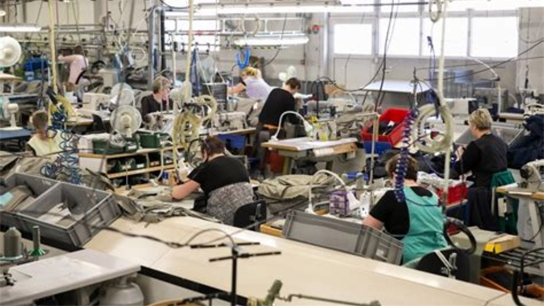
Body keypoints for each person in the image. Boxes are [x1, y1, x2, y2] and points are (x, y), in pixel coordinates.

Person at [363, 154, 447, 264]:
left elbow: (366, 229)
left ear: (393, 175)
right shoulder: (433, 196)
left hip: (412, 261)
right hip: (440, 257)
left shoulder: (393, 195)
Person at [171, 136, 254, 225]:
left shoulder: (206, 167)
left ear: (205, 153)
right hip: (247, 218)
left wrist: (173, 186)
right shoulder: (238, 162)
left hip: (222, 221)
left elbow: (178, 194)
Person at [454, 108, 508, 188]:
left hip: (483, 191)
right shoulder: (500, 142)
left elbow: (460, 169)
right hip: (499, 187)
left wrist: (459, 156)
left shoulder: (476, 146)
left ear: (474, 126)